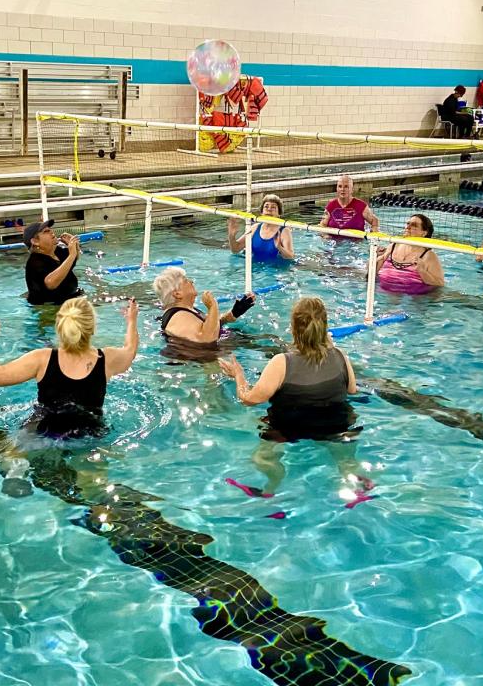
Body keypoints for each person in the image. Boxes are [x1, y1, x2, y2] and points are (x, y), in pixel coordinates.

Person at [217, 297, 372, 503]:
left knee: (263, 457)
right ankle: (358, 490)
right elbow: (351, 390)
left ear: (292, 328)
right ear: (324, 326)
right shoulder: (340, 355)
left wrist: (238, 375)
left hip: (288, 427)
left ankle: (270, 490)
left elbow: (248, 399)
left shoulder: (281, 363)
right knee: (346, 459)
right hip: (336, 424)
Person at [0, 296, 139, 437]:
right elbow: (130, 351)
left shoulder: (42, 359)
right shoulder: (107, 359)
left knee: (11, 458)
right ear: (92, 328)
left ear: (60, 328)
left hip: (44, 432)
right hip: (90, 435)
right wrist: (131, 321)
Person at [153, 266, 255, 348]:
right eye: (186, 280)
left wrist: (234, 312)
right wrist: (212, 306)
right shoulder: (178, 316)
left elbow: (210, 325)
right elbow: (207, 339)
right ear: (177, 294)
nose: (191, 282)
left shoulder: (186, 310)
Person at [375, 214, 445, 294]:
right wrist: (375, 257)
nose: (408, 227)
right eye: (408, 224)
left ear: (424, 233)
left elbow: (439, 284)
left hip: (412, 300)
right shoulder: (393, 246)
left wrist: (422, 271)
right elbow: (372, 272)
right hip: (382, 294)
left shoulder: (428, 256)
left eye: (414, 225)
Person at [24, 219, 83, 305]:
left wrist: (74, 245)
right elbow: (51, 283)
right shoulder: (34, 262)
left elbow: (72, 260)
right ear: (35, 241)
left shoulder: (56, 251)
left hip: (69, 299)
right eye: (46, 231)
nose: (51, 232)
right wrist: (72, 254)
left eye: (50, 229)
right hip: (49, 307)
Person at [227, 193, 294, 262]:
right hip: (255, 269)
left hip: (274, 269)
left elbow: (290, 257)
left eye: (273, 207)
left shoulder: (284, 231)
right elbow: (235, 249)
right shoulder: (254, 228)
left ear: (279, 214)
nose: (269, 210)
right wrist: (231, 236)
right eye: (266, 207)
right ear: (262, 212)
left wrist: (279, 247)